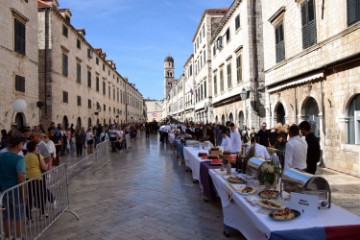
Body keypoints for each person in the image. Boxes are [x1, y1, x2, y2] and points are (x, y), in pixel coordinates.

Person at [0, 136, 26, 239]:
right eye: (21, 144)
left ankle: (7, 236)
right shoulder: (19, 159)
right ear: (17, 145)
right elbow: (20, 177)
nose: (23, 145)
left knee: (7, 215)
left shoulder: (1, 156)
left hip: (4, 191)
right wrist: (23, 193)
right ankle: (19, 237)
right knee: (19, 215)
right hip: (16, 191)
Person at [24, 141, 49, 220]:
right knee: (41, 196)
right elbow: (44, 167)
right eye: (36, 146)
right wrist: (47, 165)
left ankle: (28, 216)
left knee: (30, 197)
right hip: (37, 178)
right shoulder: (38, 156)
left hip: (28, 178)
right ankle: (42, 214)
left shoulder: (25, 156)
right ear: (35, 148)